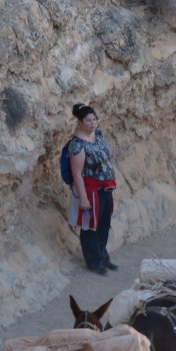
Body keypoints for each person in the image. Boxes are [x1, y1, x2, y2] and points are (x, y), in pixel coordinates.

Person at [66, 103, 119, 274]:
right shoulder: (77, 144)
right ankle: (93, 262)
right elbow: (77, 174)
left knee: (104, 224)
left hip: (106, 187)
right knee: (90, 226)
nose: (93, 123)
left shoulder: (98, 134)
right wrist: (83, 198)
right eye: (89, 120)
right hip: (91, 190)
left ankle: (103, 257)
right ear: (81, 122)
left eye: (94, 119)